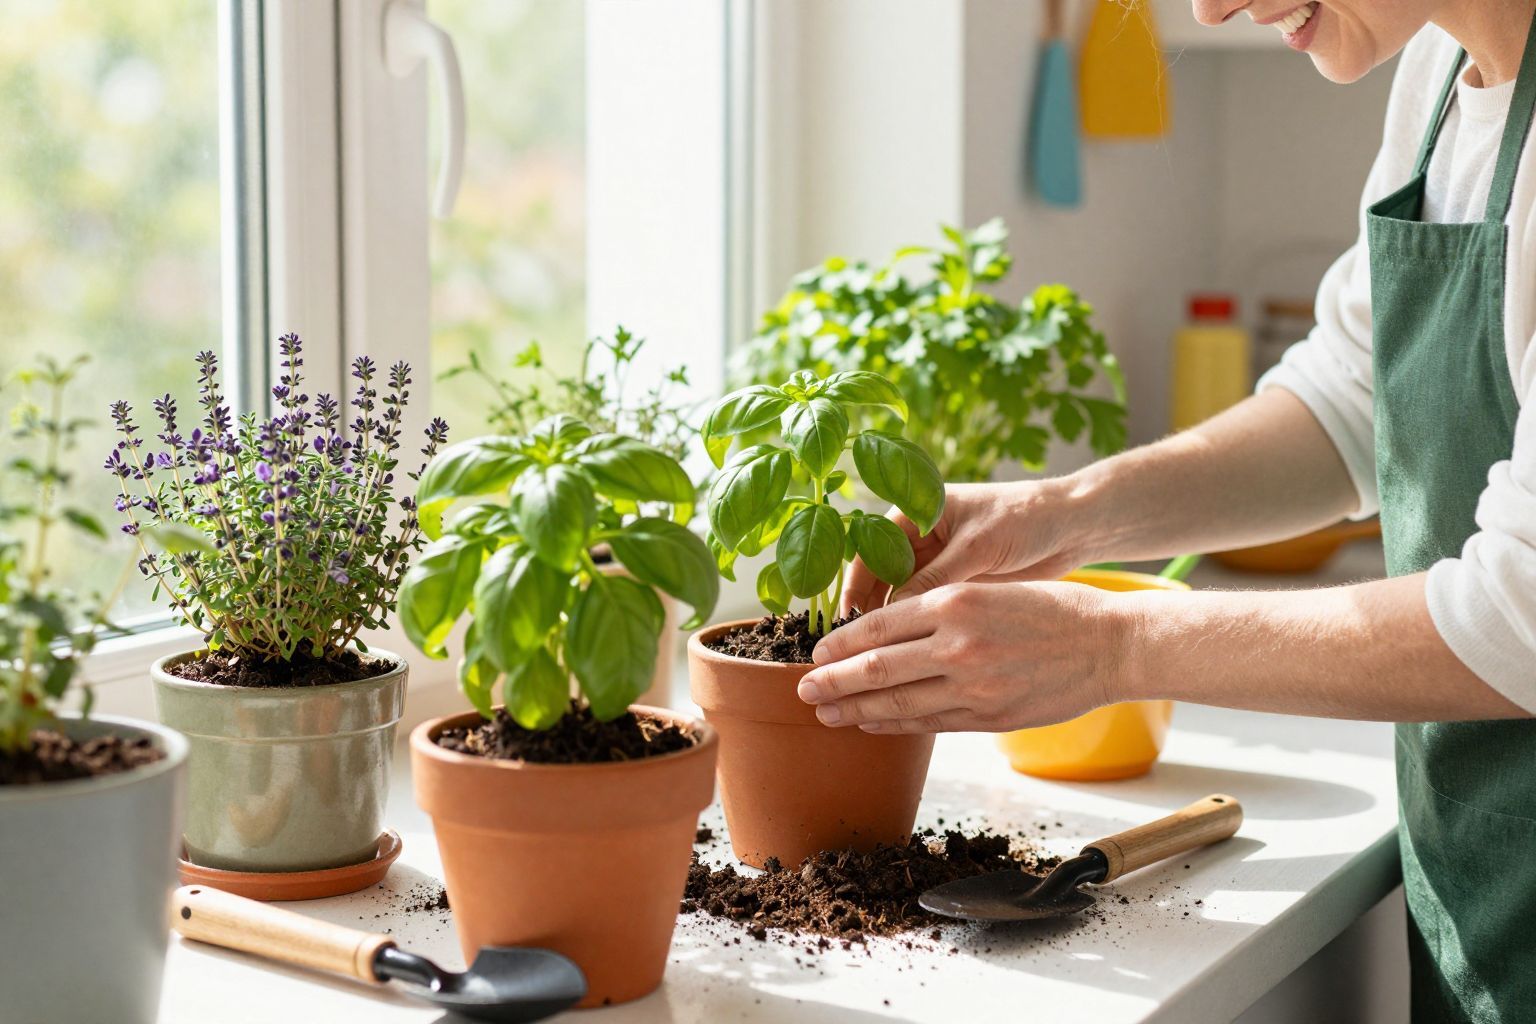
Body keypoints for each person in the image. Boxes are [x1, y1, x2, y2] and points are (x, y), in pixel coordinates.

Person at [797, 2, 1536, 1018]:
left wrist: (1112, 645)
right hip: (1485, 891)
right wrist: (1065, 511)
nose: (1212, 8)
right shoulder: (1438, 70)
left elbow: (1519, 616)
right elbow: (1354, 396)